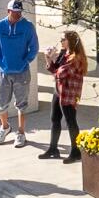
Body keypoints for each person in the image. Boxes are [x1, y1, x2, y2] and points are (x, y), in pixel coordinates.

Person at [0, 0, 39, 145]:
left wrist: (26, 61)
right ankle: (5, 127)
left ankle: (21, 133)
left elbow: (34, 47)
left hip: (22, 72)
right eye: (15, 12)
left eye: (20, 12)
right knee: (1, 103)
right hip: (4, 72)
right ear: (8, 11)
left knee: (22, 104)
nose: (18, 15)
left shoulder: (27, 26)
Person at [41, 27, 88, 159]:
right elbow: (55, 69)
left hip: (69, 93)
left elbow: (60, 73)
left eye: (63, 39)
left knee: (70, 121)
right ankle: (53, 149)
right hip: (59, 91)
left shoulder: (76, 58)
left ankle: (76, 152)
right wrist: (48, 58)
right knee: (54, 119)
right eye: (61, 39)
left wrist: (54, 59)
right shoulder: (64, 53)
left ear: (71, 41)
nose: (61, 41)